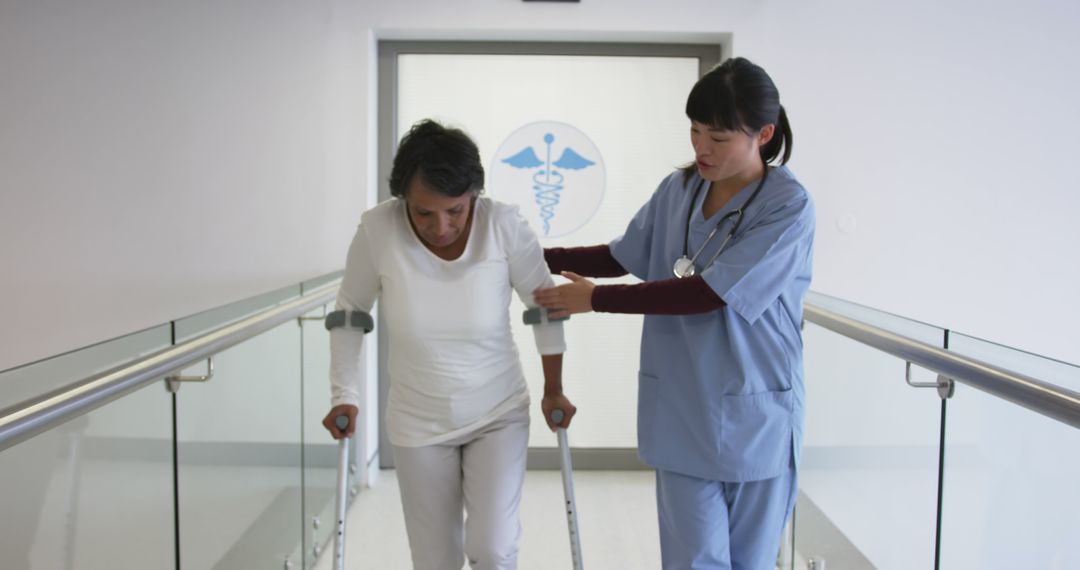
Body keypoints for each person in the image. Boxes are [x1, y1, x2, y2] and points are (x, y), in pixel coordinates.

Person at [534, 57, 814, 569]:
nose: (701, 148)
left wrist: (595, 299)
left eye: (719, 137)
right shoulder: (680, 190)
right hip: (684, 412)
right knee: (691, 563)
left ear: (763, 134)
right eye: (695, 131)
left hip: (755, 413)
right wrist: (535, 256)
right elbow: (623, 255)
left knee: (750, 562)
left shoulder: (788, 206)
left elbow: (708, 293)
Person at [323, 119, 576, 570]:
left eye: (455, 211)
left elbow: (545, 303)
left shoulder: (503, 225)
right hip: (418, 421)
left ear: (474, 194)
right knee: (435, 560)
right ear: (403, 200)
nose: (441, 226)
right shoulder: (377, 231)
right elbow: (349, 313)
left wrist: (553, 388)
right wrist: (345, 396)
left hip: (497, 412)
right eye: (424, 213)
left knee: (493, 548)